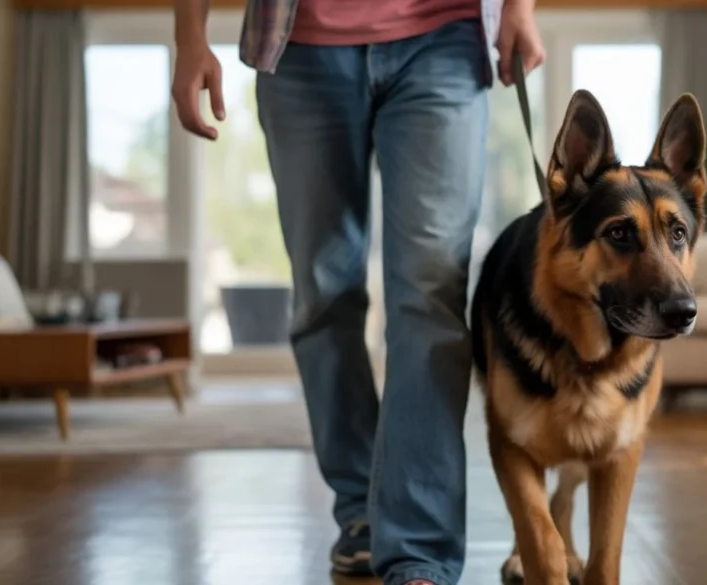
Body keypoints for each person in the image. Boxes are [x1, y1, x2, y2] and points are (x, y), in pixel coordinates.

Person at [171, 1, 544, 584]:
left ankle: (419, 549)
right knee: (324, 295)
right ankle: (363, 514)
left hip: (442, 39)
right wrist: (189, 36)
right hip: (299, 50)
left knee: (430, 295)